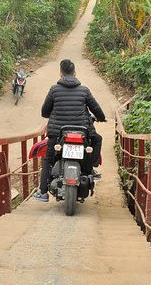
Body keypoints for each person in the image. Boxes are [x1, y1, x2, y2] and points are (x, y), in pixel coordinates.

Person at [33, 59, 105, 202]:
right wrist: (101, 118)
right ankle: (90, 167)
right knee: (97, 139)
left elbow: (44, 111)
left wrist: (52, 114)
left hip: (58, 133)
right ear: (75, 73)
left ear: (61, 74)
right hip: (82, 132)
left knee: (48, 159)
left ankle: (43, 192)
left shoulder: (54, 90)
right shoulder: (84, 90)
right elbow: (95, 109)